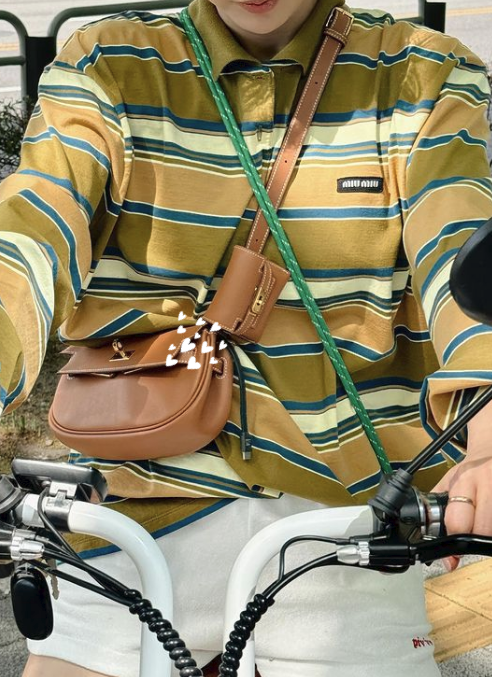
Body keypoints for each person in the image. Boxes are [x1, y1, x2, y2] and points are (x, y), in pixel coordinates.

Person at [0, 0, 491, 675]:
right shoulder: (108, 63)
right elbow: (31, 235)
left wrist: (486, 432)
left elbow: (457, 251)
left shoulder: (424, 73)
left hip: (345, 526)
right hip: (138, 508)